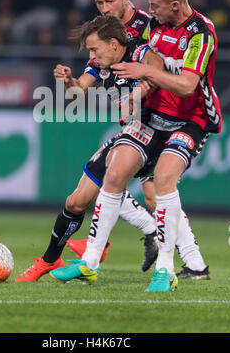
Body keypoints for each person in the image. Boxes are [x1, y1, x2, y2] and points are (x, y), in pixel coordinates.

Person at [50, 0, 222, 292]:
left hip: (190, 119)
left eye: (154, 4)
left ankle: (169, 267)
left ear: (173, 4)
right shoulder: (152, 24)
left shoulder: (200, 32)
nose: (149, 9)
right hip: (149, 117)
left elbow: (186, 85)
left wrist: (143, 80)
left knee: (161, 185)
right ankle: (92, 264)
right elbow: (107, 40)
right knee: (116, 175)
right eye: (100, 2)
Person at [15, 14, 161, 283]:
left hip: (153, 134)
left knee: (129, 190)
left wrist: (139, 92)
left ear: (115, 44)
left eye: (94, 48)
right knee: (77, 201)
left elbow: (157, 72)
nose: (91, 55)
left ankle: (94, 257)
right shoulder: (100, 64)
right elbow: (79, 90)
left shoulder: (141, 52)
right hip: (130, 134)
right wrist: (68, 82)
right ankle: (53, 260)